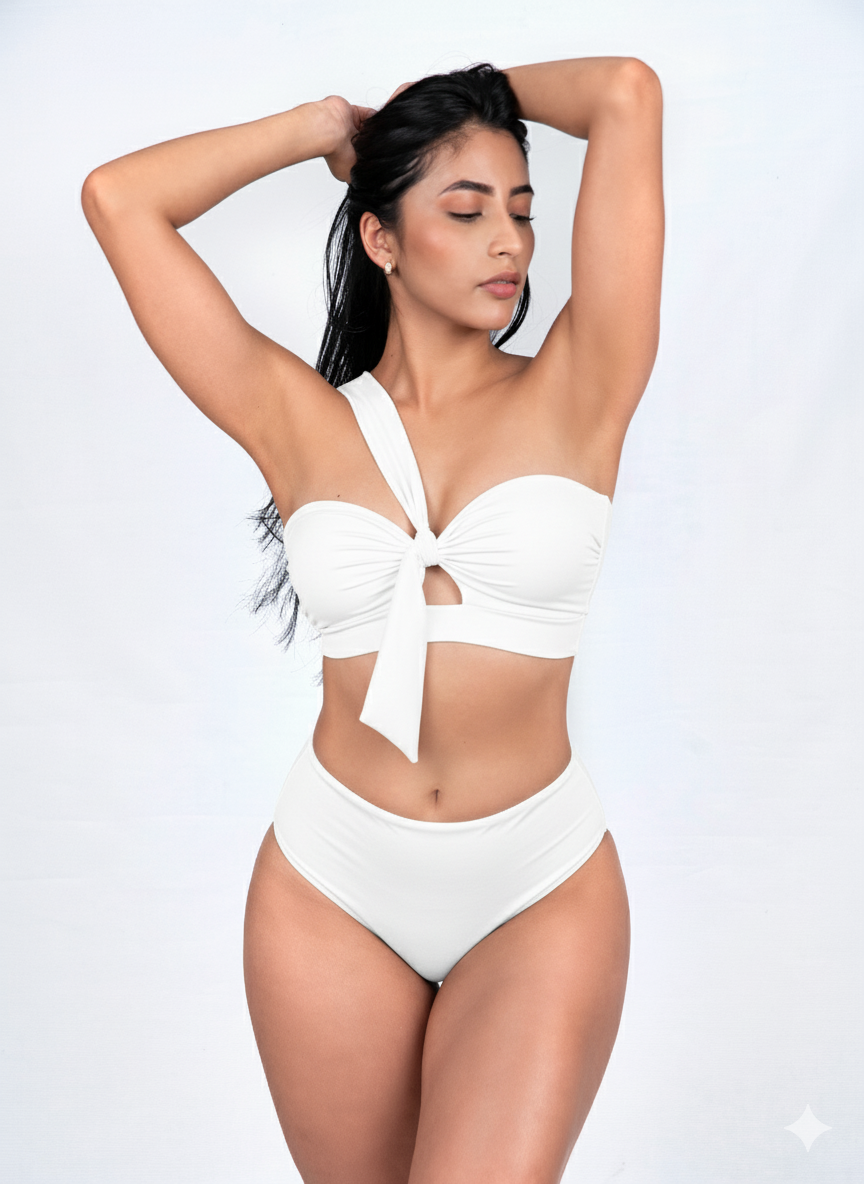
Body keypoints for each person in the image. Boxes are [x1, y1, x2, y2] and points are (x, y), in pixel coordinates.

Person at [82, 56, 664, 1184]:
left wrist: (455, 94)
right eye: (467, 210)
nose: (510, 243)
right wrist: (321, 127)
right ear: (380, 239)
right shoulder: (294, 418)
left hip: (534, 883)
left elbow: (626, 94)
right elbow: (119, 198)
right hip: (331, 886)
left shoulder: (583, 384)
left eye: (522, 210)